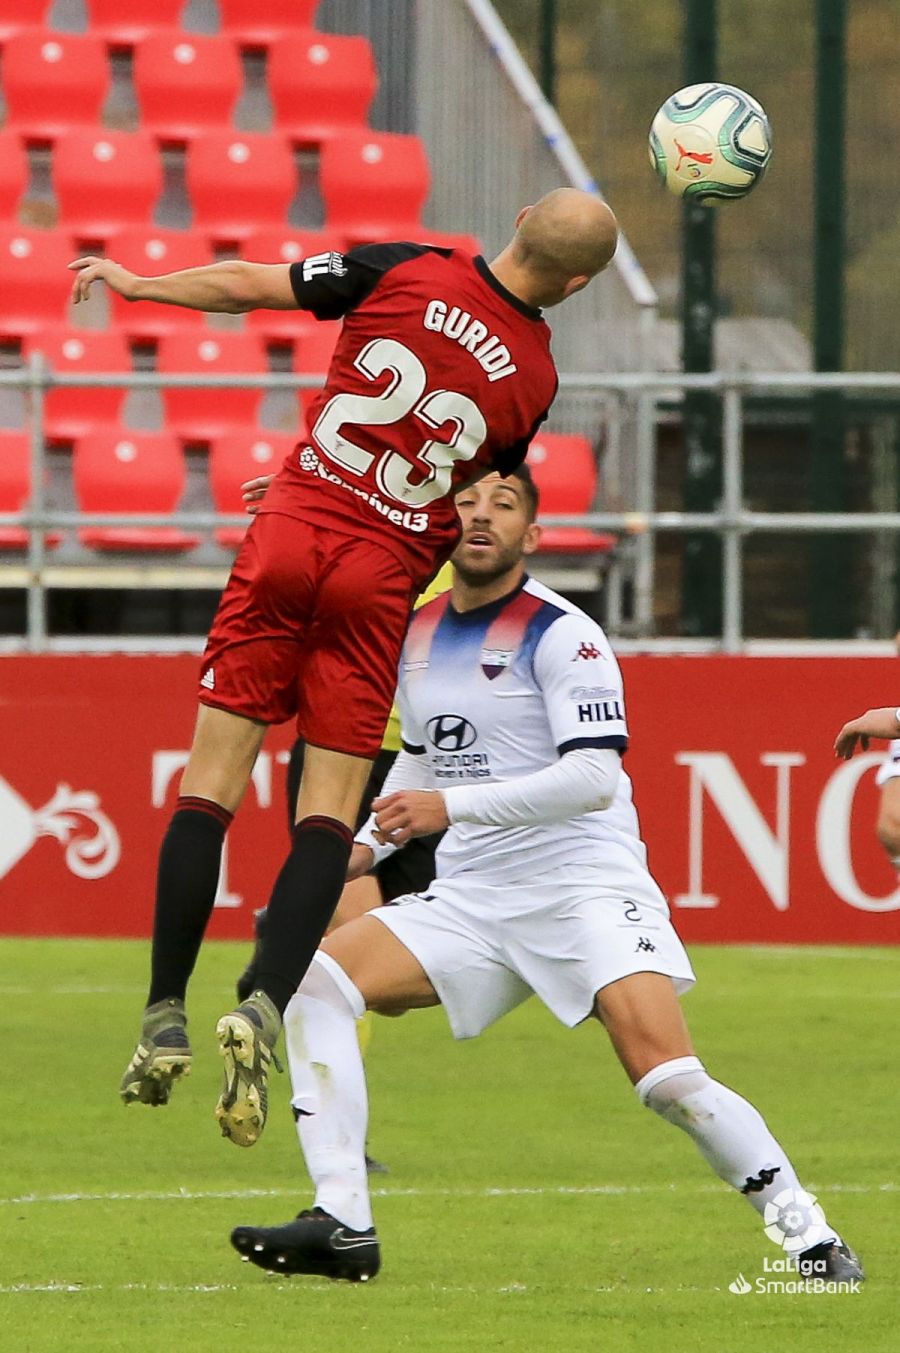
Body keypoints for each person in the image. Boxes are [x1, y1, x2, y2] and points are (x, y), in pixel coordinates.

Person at [69, 188, 619, 1148]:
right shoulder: (534, 378)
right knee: (329, 808)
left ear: (518, 213)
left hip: (291, 527)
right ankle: (267, 1002)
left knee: (210, 785)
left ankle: (165, 1005)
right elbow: (462, 491)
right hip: (379, 576)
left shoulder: (410, 266)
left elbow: (249, 285)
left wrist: (141, 284)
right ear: (574, 285)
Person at [230, 466, 863, 1286]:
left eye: (504, 505)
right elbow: (420, 758)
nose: (481, 516)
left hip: (582, 886)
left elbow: (593, 778)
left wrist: (448, 810)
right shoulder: (413, 636)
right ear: (443, 528)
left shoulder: (565, 635)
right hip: (473, 898)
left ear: (533, 535)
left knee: (668, 1079)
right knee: (318, 984)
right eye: (466, 503)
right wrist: (357, 847)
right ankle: (345, 1219)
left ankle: (812, 1238)